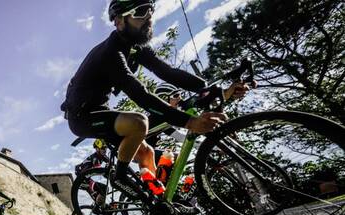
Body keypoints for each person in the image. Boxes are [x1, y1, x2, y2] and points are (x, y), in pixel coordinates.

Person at [61, 0, 252, 201]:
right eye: (141, 11)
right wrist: (190, 122)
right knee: (139, 122)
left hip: (100, 110)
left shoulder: (135, 48)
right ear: (119, 22)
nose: (149, 16)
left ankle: (156, 202)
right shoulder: (111, 53)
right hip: (82, 117)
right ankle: (120, 176)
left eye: (150, 10)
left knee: (147, 153)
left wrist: (209, 90)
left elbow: (169, 73)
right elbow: (140, 95)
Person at [75, 139, 109, 210]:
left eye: (106, 148)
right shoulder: (94, 158)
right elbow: (99, 170)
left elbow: (112, 165)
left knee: (105, 189)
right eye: (103, 148)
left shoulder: (103, 156)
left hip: (88, 178)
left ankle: (100, 208)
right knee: (98, 196)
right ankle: (97, 208)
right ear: (97, 149)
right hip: (83, 180)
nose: (105, 150)